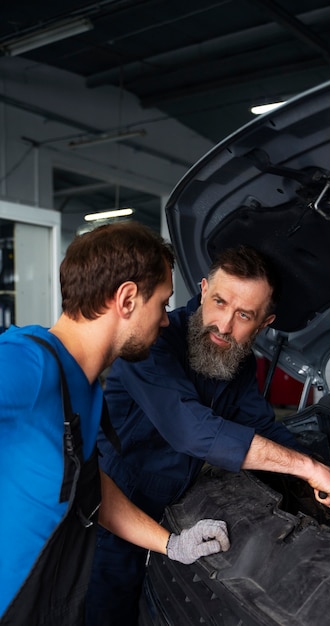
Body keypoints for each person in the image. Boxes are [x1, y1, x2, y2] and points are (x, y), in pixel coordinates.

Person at [87, 244, 330, 626]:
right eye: (218, 301)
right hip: (111, 514)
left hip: (171, 516)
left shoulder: (236, 357)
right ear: (202, 289)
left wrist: (323, 479)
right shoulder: (150, 341)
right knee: (105, 614)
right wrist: (308, 468)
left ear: (265, 323)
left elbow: (261, 425)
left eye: (244, 315)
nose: (224, 324)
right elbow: (191, 431)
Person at [0, 222, 230, 626]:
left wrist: (171, 544)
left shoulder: (83, 385)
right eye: (161, 303)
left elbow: (91, 488)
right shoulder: (28, 365)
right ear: (126, 299)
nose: (164, 320)